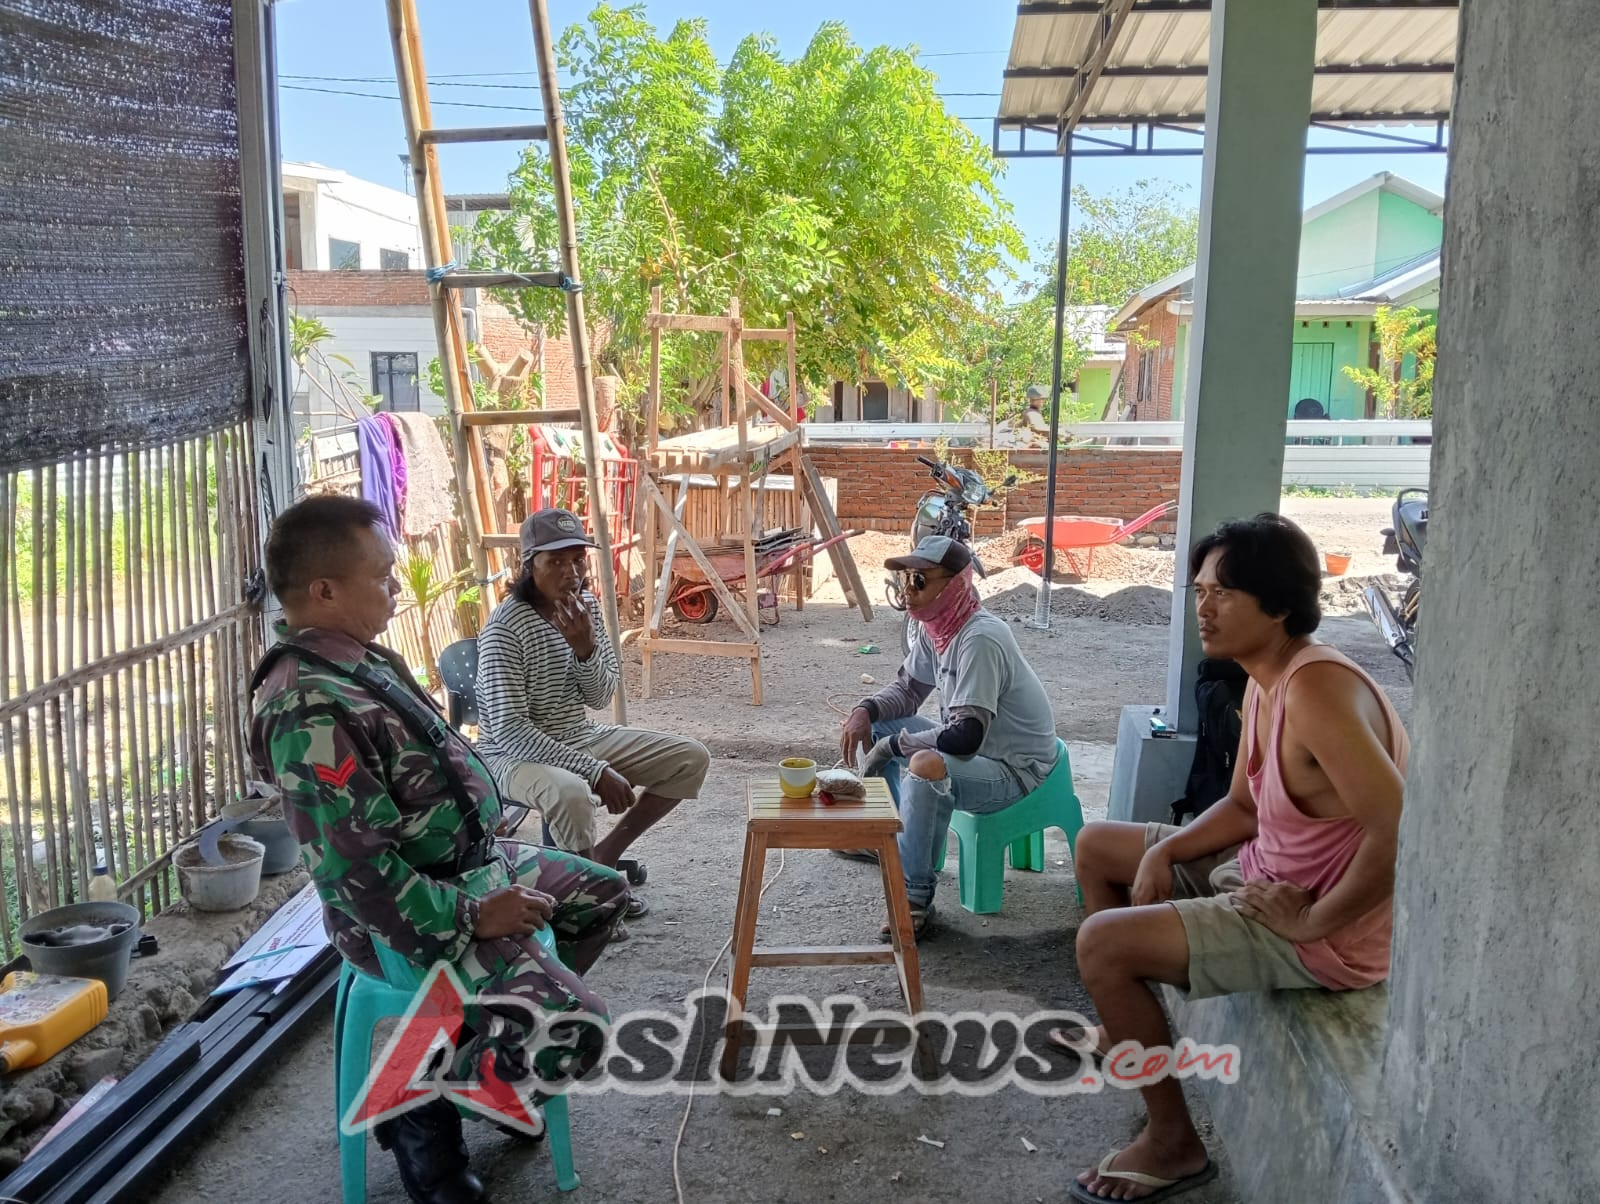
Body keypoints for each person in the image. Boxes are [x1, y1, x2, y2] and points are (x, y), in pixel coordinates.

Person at [249, 496, 627, 1204]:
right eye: (385, 575)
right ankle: (420, 1110)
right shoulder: (306, 705)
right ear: (325, 590)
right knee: (579, 1028)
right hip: (409, 913)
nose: (397, 587)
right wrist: (475, 918)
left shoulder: (357, 659)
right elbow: (359, 875)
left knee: (604, 894)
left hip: (475, 868)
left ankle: (485, 1055)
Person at [1063, 513, 1408, 1204]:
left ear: (1280, 605)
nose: (1204, 607)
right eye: (1198, 590)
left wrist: (1315, 923)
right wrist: (1167, 855)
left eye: (1224, 591)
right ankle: (1125, 1026)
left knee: (1103, 945)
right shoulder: (1264, 677)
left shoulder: (1318, 690)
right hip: (1262, 868)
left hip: (1322, 926)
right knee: (1099, 846)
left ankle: (1173, 1145)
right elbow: (1246, 807)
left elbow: (1404, 829)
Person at [474, 508, 710, 935]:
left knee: (690, 758)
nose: (571, 573)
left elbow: (600, 696)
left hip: (577, 734)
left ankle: (601, 863)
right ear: (528, 566)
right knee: (570, 793)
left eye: (577, 560)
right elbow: (509, 730)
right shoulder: (504, 628)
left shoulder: (586, 607)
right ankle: (587, 903)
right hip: (507, 754)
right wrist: (595, 770)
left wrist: (584, 650)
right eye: (555, 562)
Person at [837, 536, 1058, 938]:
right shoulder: (936, 626)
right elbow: (907, 692)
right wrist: (865, 710)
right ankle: (894, 841)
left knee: (922, 765)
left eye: (919, 580)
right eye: (905, 579)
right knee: (882, 725)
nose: (908, 591)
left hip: (1015, 769)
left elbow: (965, 738)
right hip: (980, 754)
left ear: (956, 583)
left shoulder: (980, 639)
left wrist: (892, 747)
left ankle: (915, 897)